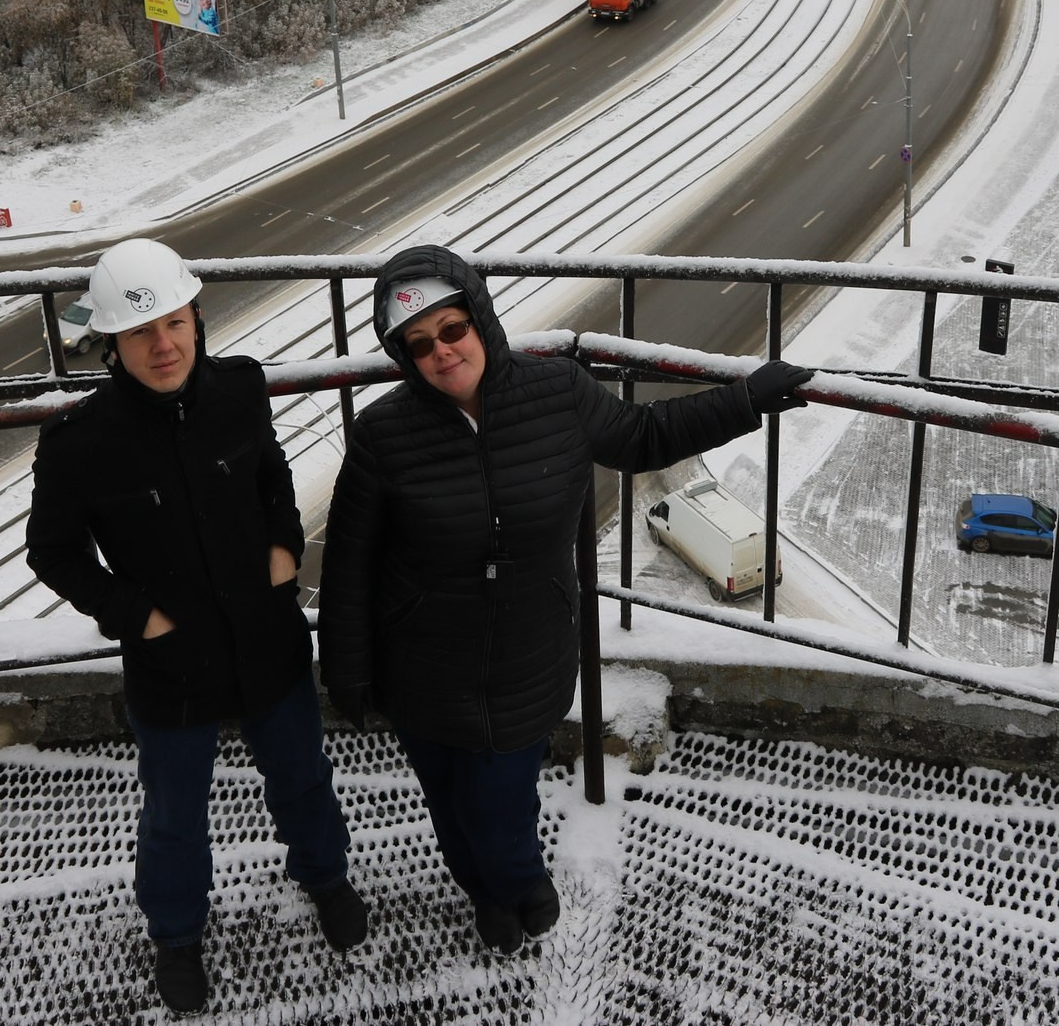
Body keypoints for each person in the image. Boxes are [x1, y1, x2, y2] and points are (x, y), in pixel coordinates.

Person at [318, 244, 812, 955]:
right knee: (450, 806)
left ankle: (518, 883)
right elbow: (350, 562)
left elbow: (645, 436)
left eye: (452, 328)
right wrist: (348, 671)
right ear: (403, 355)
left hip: (528, 655)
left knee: (499, 802)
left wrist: (744, 400)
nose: (441, 351)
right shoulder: (383, 433)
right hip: (424, 669)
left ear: (480, 318)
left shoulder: (558, 392)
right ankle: (487, 892)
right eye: (418, 343)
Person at [26, 239, 364, 1014]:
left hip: (267, 638)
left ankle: (326, 876)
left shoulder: (240, 390)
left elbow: (272, 472)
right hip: (171, 663)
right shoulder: (80, 444)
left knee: (303, 776)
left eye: (175, 323)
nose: (164, 345)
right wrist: (135, 617)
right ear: (111, 342)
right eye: (141, 331)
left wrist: (285, 546)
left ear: (197, 318)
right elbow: (52, 551)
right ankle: (176, 933)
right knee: (175, 815)